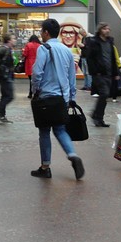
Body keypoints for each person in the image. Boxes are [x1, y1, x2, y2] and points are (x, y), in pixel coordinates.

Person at [29, 18, 85, 180]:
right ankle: (72, 154)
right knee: (60, 129)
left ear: (46, 33)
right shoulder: (67, 51)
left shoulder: (44, 49)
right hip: (61, 97)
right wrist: (71, 97)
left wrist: (35, 91)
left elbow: (37, 73)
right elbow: (71, 77)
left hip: (46, 96)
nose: (41, 34)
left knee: (44, 132)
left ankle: (45, 167)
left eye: (41, 31)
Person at [84, 22, 120, 127]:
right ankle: (96, 115)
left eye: (108, 29)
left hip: (108, 73)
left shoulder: (110, 42)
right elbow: (89, 58)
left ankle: (98, 117)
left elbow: (113, 58)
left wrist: (115, 72)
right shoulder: (94, 42)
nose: (107, 30)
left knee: (105, 96)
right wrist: (94, 71)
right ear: (100, 30)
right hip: (99, 74)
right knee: (104, 93)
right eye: (105, 29)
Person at [0, 34, 17, 123]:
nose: (14, 40)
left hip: (5, 74)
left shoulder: (8, 49)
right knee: (10, 96)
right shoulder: (4, 48)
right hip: (4, 75)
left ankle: (2, 115)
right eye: (13, 38)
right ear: (9, 40)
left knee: (5, 95)